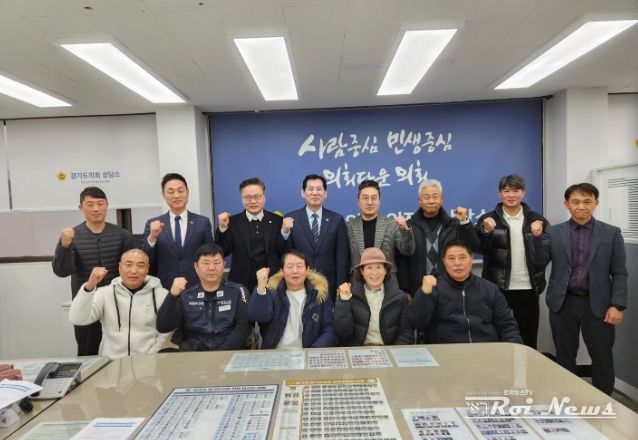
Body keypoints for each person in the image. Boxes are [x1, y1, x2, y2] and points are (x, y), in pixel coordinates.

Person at [532, 183, 627, 395]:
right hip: (563, 303)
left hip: (599, 305)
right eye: (575, 202)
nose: (581, 206)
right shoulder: (553, 232)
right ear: (566, 204)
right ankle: (568, 400)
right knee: (564, 356)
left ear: (596, 203)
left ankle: (603, 403)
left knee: (602, 357)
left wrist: (617, 305)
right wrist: (536, 239)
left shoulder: (611, 233)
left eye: (587, 201)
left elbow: (620, 272)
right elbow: (539, 262)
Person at [52, 186, 134, 356]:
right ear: (81, 207)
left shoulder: (122, 235)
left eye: (100, 203)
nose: (96, 209)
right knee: (87, 351)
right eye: (90, 204)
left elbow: (132, 270)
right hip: (86, 304)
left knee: (123, 349)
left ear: (107, 205)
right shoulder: (71, 236)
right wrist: (64, 246)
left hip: (117, 303)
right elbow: (62, 271)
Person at [476, 175, 549, 348]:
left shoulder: (536, 220)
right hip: (497, 287)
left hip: (528, 287)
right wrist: (487, 232)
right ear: (499, 194)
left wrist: (537, 238)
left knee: (528, 337)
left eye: (516, 191)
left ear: (523, 193)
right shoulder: (488, 219)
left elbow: (543, 258)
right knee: (495, 335)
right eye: (506, 191)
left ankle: (526, 366)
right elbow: (479, 249)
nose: (511, 195)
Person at [408, 241, 522, 344]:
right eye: (451, 258)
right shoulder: (433, 288)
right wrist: (424, 294)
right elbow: (417, 323)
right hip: (446, 351)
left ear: (471, 259)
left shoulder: (490, 289)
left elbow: (507, 325)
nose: (457, 263)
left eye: (462, 257)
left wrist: (514, 348)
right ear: (444, 262)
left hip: (485, 349)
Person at [69, 249, 170, 359]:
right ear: (120, 267)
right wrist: (89, 286)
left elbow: (166, 333)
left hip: (149, 363)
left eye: (140, 266)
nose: (134, 271)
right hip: (111, 362)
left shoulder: (161, 295)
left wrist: (150, 357)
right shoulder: (104, 293)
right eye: (128, 265)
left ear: (147, 269)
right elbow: (78, 319)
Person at [156, 243, 250, 351]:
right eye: (206, 263)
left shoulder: (239, 291)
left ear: (223, 265)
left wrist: (221, 355)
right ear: (196, 267)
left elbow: (244, 327)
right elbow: (163, 327)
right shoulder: (187, 295)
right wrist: (172, 295)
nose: (211, 268)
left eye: (216, 262)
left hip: (229, 353)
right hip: (195, 355)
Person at [397, 179, 480, 297]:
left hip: (451, 288)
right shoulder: (409, 226)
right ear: (419, 201)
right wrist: (405, 290)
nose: (431, 201)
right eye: (427, 197)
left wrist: (465, 223)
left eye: (435, 197)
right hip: (418, 289)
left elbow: (475, 246)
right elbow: (402, 261)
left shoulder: (454, 225)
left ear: (441, 200)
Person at [247, 250, 337, 349]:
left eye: (299, 266)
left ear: (307, 270)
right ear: (282, 271)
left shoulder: (319, 295)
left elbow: (329, 329)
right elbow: (257, 316)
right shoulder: (272, 293)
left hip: (308, 352)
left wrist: (313, 351)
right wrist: (261, 287)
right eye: (289, 267)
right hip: (275, 352)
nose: (295, 271)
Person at [216, 177, 290, 292]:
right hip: (241, 282)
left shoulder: (277, 220)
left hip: (272, 281)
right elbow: (223, 251)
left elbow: (284, 251)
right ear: (241, 198)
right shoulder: (232, 222)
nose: (253, 201)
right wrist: (223, 228)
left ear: (264, 197)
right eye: (248, 197)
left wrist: (285, 233)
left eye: (257, 196)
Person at [141, 173, 214, 290]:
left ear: (187, 192)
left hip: (196, 286)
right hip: (164, 287)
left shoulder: (202, 222)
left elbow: (210, 255)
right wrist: (152, 237)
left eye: (180, 191)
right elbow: (144, 258)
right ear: (163, 195)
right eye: (171, 192)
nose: (176, 195)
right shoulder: (153, 224)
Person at [285, 174, 349, 298]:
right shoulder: (291, 219)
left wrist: (340, 284)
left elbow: (342, 256)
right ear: (303, 192)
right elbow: (285, 252)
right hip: (299, 284)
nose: (315, 193)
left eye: (319, 189)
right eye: (310, 189)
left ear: (325, 193)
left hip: (328, 285)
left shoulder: (336, 219)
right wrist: (285, 232)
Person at [333, 247, 414, 346]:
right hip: (359, 351)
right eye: (369, 268)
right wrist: (344, 300)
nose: (374, 273)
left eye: (379, 267)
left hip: (389, 350)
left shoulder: (400, 297)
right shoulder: (351, 296)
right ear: (362, 271)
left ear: (385, 270)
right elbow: (342, 332)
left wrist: (393, 351)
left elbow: (406, 333)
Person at [346, 180, 415, 283]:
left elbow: (408, 251)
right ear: (358, 201)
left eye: (374, 198)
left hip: (387, 283)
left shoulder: (392, 225)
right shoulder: (348, 226)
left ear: (379, 200)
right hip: (357, 283)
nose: (370, 202)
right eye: (365, 198)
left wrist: (405, 230)